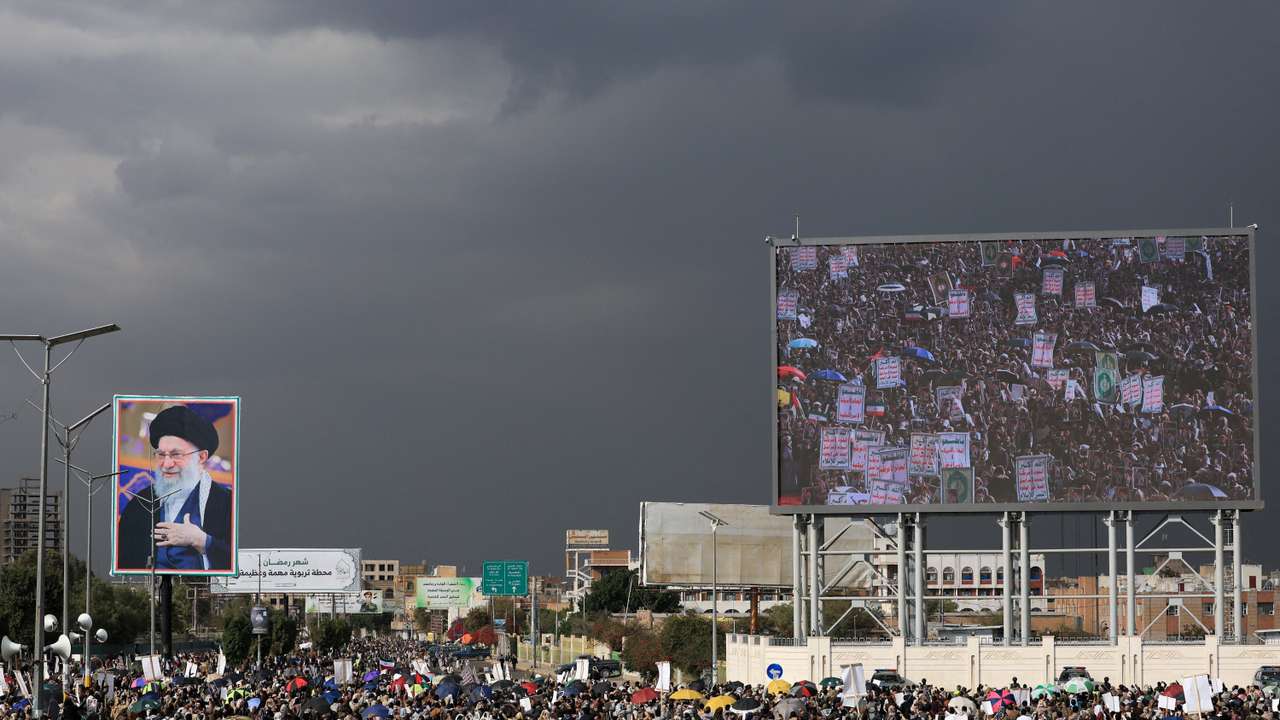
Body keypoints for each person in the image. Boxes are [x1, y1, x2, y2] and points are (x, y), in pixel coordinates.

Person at [117, 405, 233, 571]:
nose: (167, 464)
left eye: (176, 455)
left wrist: (202, 541)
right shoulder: (140, 505)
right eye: (161, 455)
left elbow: (242, 560)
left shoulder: (226, 504)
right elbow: (126, 563)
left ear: (201, 457)